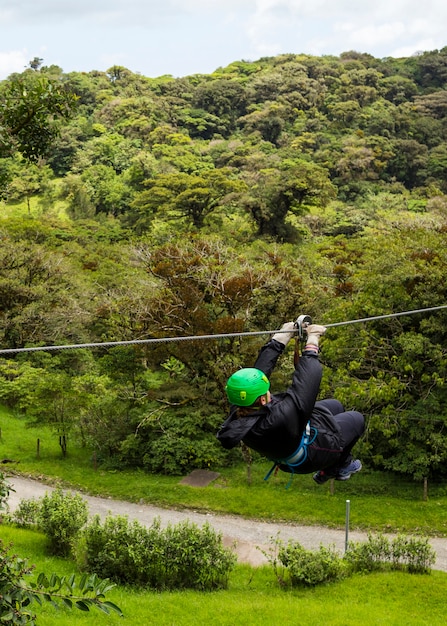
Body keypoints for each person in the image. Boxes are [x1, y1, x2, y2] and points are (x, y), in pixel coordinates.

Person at [217, 321, 365, 484]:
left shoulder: (238, 409)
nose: (269, 390)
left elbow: (260, 371)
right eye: (266, 390)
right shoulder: (281, 416)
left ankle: (338, 463)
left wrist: (281, 337)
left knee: (336, 406)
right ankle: (335, 468)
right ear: (262, 399)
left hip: (289, 439)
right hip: (311, 454)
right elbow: (308, 380)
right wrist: (313, 341)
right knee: (357, 419)